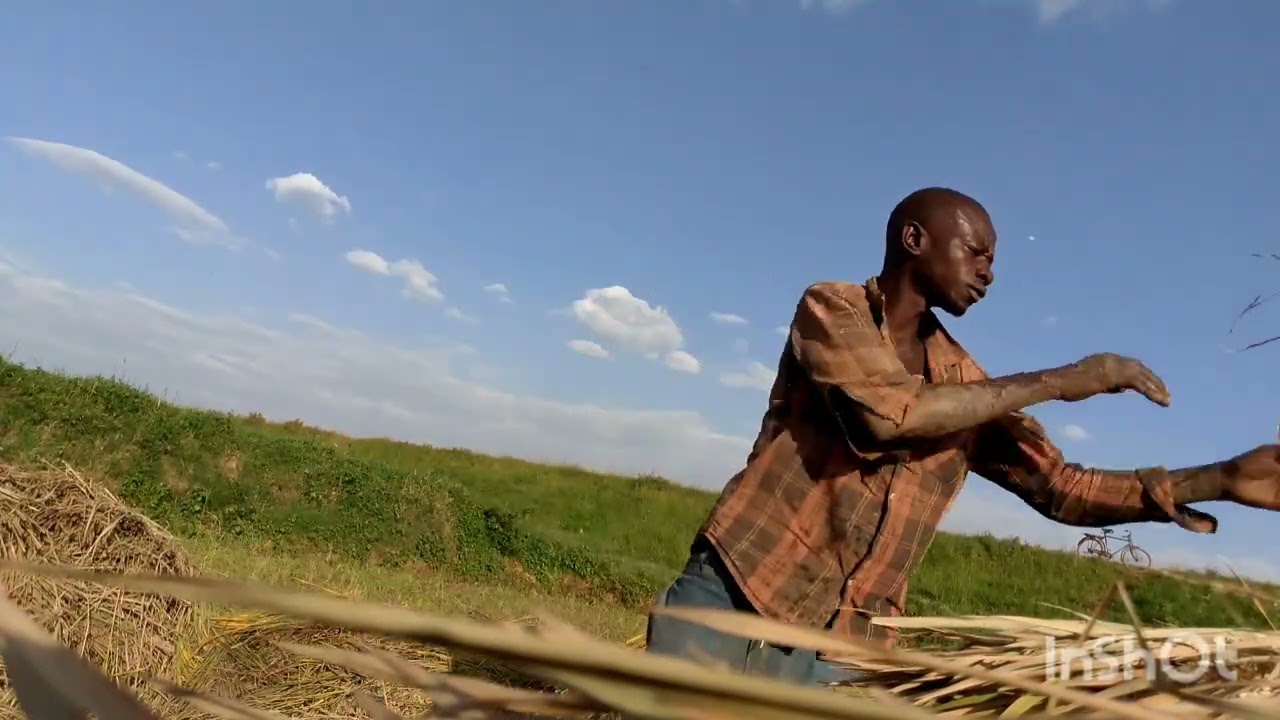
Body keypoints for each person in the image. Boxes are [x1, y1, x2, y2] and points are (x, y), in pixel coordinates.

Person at [643, 186, 1280, 687]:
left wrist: (1220, 480)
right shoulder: (832, 310)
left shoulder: (966, 384)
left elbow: (1059, 488)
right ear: (914, 239)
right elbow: (889, 416)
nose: (988, 273)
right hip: (735, 596)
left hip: (838, 646)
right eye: (977, 253)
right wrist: (1063, 380)